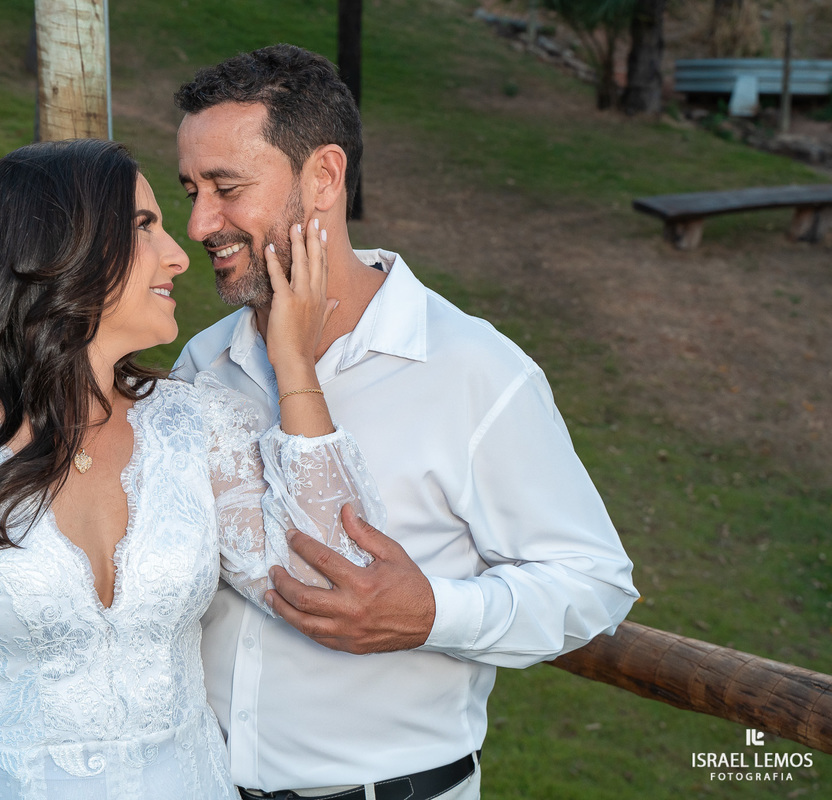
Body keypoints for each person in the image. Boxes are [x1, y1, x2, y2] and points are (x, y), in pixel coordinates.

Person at [0, 138, 384, 799]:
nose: (179, 254)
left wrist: (294, 366)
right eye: (143, 227)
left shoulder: (199, 426)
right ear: (58, 250)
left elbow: (335, 580)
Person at [173, 44, 640, 800]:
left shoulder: (474, 369)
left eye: (227, 188)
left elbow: (594, 586)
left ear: (324, 177)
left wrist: (434, 614)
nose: (199, 223)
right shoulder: (203, 362)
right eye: (191, 190)